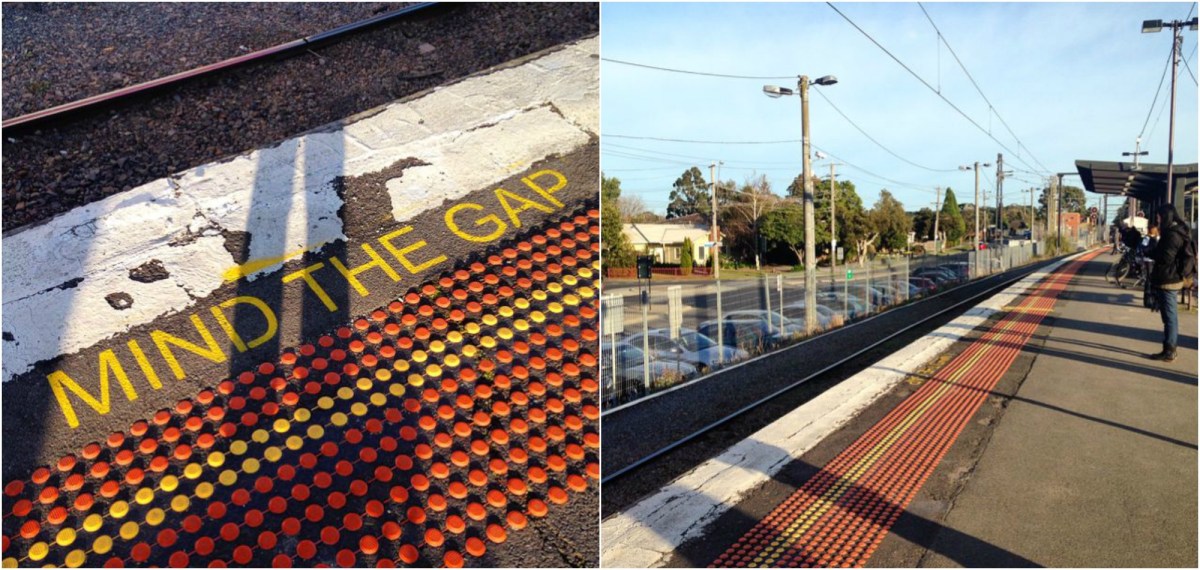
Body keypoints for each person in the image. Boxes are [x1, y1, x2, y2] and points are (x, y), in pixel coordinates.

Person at [1145, 206, 1191, 362]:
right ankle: (1168, 348)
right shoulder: (1177, 231)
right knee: (1170, 316)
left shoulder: (1172, 235)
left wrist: (1151, 251)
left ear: (1166, 216)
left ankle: (1170, 350)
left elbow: (1165, 258)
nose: (1158, 220)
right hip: (1170, 278)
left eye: (1159, 217)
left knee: (1170, 317)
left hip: (1169, 280)